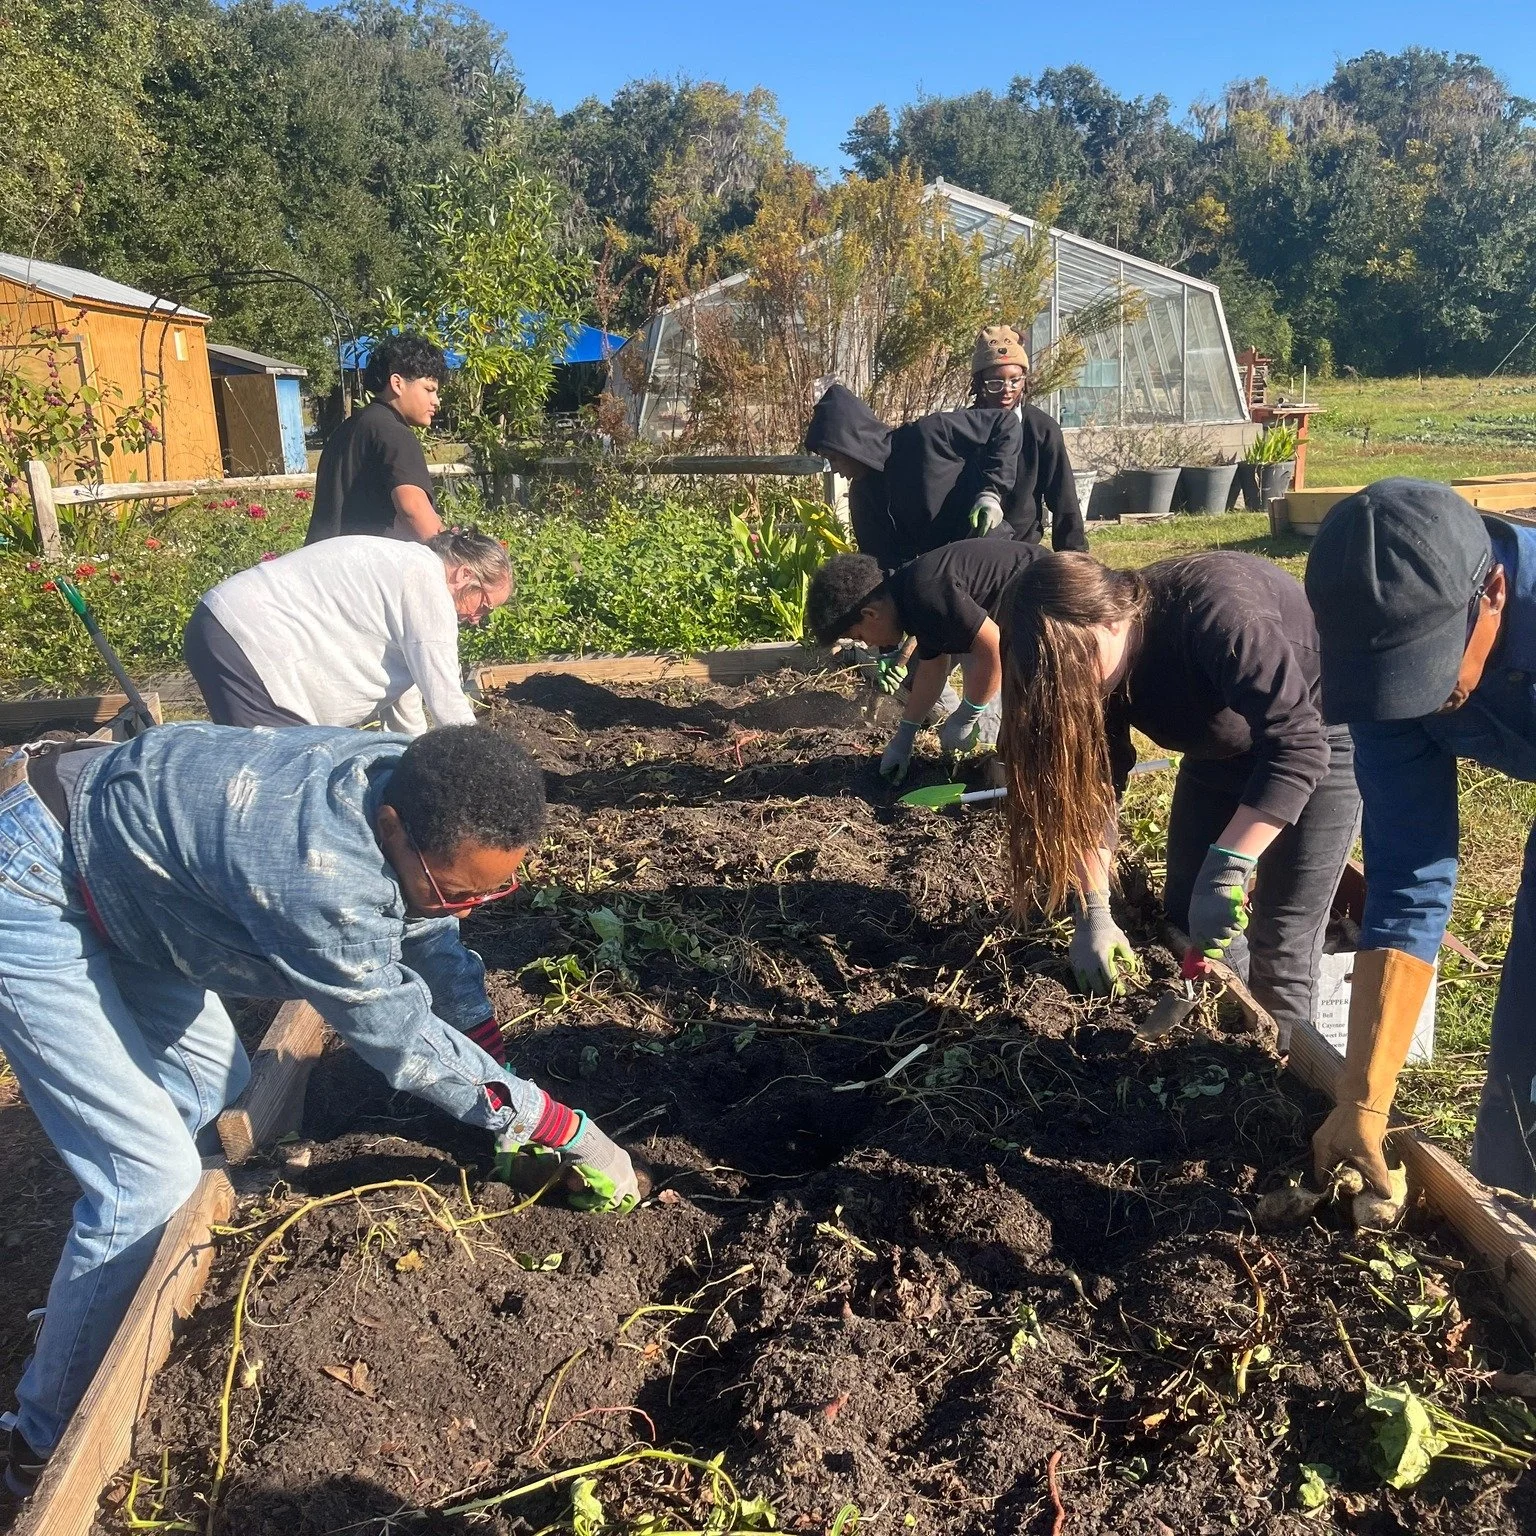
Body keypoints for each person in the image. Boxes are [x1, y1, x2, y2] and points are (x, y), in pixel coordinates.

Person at [0, 724, 638, 1498]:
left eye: (490, 892)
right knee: (145, 1180)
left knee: (217, 1085)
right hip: (35, 883)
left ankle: (138, 1272)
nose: (467, 911)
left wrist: (483, 1037)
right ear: (395, 829)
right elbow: (399, 1038)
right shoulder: (319, 877)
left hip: (135, 885)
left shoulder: (402, 780)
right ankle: (40, 1441)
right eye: (457, 889)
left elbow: (432, 930)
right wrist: (553, 1124)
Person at [998, 551, 1360, 1055]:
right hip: (1218, 752)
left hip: (1319, 738)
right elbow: (1098, 787)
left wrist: (1231, 864)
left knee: (1283, 940)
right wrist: (1094, 910)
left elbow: (1297, 746)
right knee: (1187, 913)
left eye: (1076, 668)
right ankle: (1223, 1043)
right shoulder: (1087, 668)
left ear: (1110, 618)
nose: (1073, 686)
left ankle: (1285, 1076)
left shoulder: (1219, 614)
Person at [1305, 479, 1536, 1198]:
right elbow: (1409, 875)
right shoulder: (1382, 667)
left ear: (1492, 594)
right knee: (1523, 1068)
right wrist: (1363, 1097)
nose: (1411, 701)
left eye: (1428, 677)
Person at [183, 528, 511, 733]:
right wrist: (486, 769)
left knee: (277, 771)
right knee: (276, 781)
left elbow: (409, 699)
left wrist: (408, 759)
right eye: (483, 605)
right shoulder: (428, 585)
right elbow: (447, 700)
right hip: (247, 638)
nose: (478, 618)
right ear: (464, 575)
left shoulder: (411, 569)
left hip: (227, 629)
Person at [807, 541, 1043, 782]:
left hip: (1043, 595)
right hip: (1023, 608)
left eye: (859, 636)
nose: (867, 645)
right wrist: (905, 736)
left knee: (1030, 709)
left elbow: (992, 648)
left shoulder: (927, 592)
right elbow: (933, 667)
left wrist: (967, 715)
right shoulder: (909, 598)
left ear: (870, 614)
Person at [804, 383, 1022, 571]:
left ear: (850, 443)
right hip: (944, 580)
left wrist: (991, 491)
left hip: (991, 554)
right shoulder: (863, 496)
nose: (833, 469)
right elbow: (882, 564)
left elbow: (1004, 424)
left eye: (833, 458)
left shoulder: (928, 435)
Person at [306, 333, 447, 544]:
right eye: (429, 390)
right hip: (365, 569)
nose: (436, 401)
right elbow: (413, 509)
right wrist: (454, 558)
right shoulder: (394, 433)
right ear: (397, 383)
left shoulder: (350, 428)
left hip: (321, 565)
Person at [969, 325, 1088, 553]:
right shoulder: (964, 428)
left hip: (1021, 547)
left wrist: (1075, 556)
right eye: (995, 383)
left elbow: (1064, 498)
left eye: (1015, 380)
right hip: (969, 547)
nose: (1007, 390)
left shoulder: (1042, 429)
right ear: (979, 383)